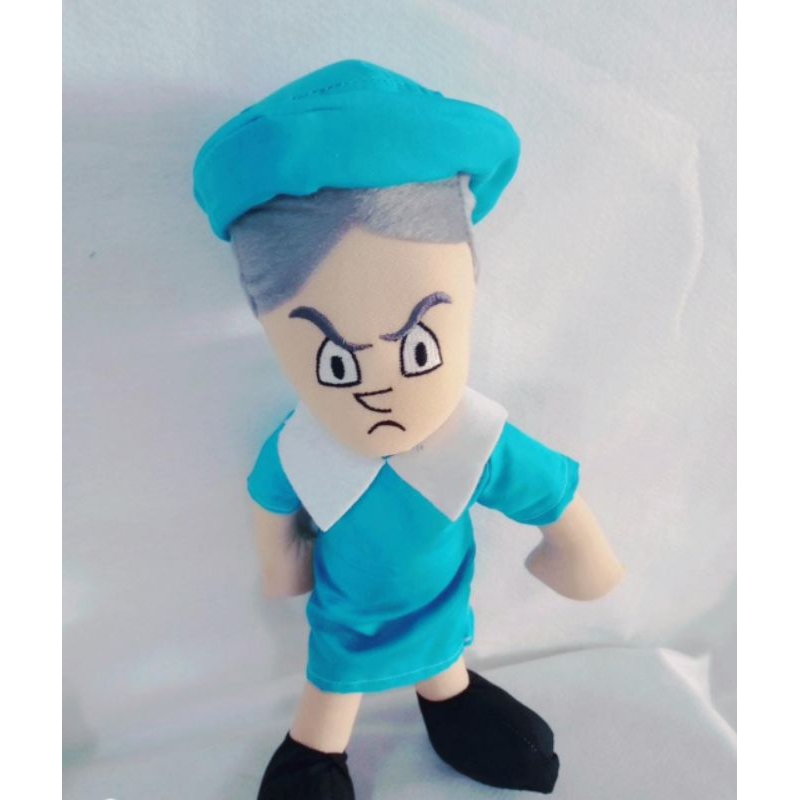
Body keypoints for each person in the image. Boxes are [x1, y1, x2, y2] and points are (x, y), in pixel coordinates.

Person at [193, 60, 624, 800]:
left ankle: (447, 698)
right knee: (332, 687)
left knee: (442, 658)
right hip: (346, 625)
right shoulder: (304, 450)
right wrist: (281, 564)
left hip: (441, 617)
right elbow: (270, 502)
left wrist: (583, 553)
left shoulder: (476, 441)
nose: (379, 389)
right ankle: (318, 746)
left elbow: (551, 494)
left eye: (419, 348)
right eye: (334, 362)